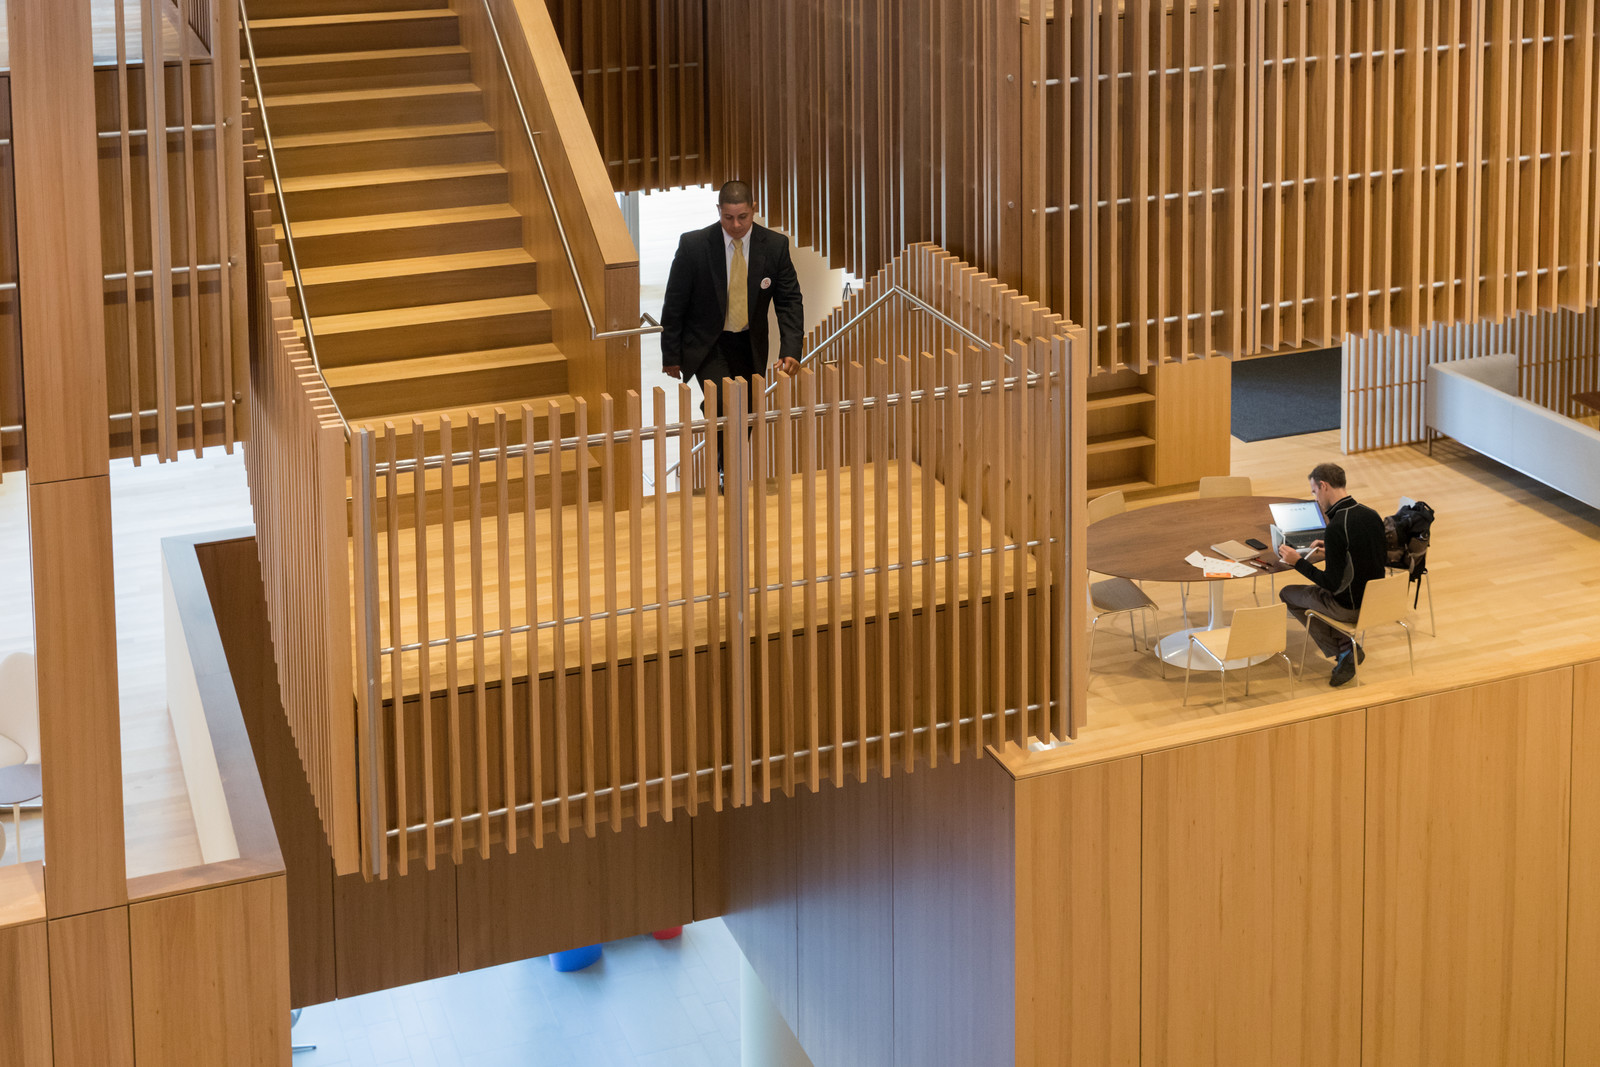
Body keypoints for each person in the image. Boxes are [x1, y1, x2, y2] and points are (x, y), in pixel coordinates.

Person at [660, 181, 804, 476]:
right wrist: (670, 354)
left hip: (749, 342)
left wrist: (790, 348)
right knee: (728, 402)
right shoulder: (694, 246)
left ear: (754, 210)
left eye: (742, 217)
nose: (735, 225)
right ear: (718, 211)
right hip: (708, 343)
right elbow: (675, 303)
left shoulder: (775, 246)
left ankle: (727, 461)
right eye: (728, 217)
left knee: (748, 409)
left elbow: (789, 301)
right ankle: (729, 472)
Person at [1277, 462, 1388, 687]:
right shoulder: (1371, 514)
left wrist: (1297, 562)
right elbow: (1365, 554)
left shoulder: (1337, 526)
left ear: (1324, 486)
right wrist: (1333, 550)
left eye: (1314, 491)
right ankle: (1346, 647)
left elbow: (1331, 584)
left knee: (1288, 594)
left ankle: (1346, 649)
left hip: (1349, 607)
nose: (1316, 498)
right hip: (1375, 602)